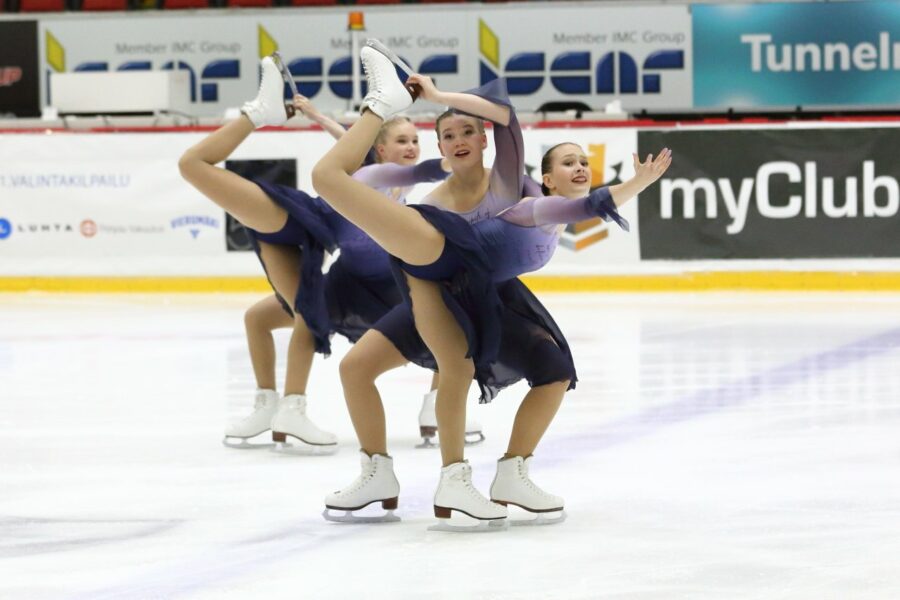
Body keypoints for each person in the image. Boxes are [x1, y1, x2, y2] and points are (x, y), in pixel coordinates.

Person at [313, 41, 671, 529]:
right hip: (435, 277)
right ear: (440, 149)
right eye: (449, 134)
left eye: (468, 130)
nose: (460, 138)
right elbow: (374, 176)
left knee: (547, 369)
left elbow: (509, 122)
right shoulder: (444, 196)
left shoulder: (513, 187)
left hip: (481, 293)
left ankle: (506, 473)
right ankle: (382, 472)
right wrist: (391, 150)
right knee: (360, 366)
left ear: (483, 140)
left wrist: (440, 96)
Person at [178, 54, 468, 451]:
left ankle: (436, 407)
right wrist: (453, 160)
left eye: (415, 141)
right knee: (263, 317)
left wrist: (318, 116)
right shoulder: (371, 173)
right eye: (402, 141)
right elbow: (388, 162)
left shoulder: (383, 175)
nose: (411, 147)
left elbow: (354, 146)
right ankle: (277, 407)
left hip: (382, 284)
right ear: (378, 149)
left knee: (445, 318)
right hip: (313, 230)